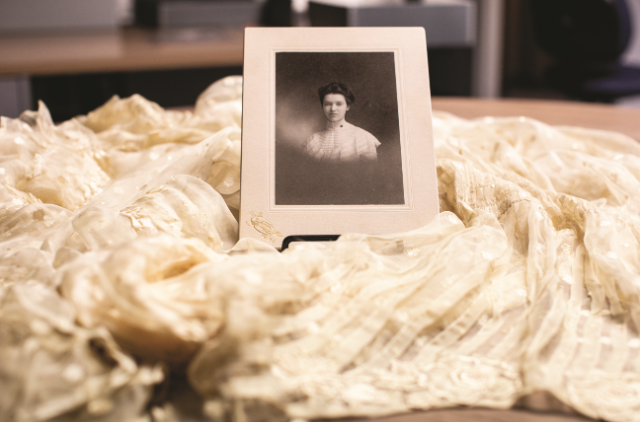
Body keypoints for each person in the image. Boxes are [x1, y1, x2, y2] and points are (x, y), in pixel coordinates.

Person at [302, 82, 380, 163]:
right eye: (327, 104)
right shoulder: (311, 141)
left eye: (339, 104)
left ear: (347, 106)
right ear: (322, 107)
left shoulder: (363, 138)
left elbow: (370, 173)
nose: (333, 109)